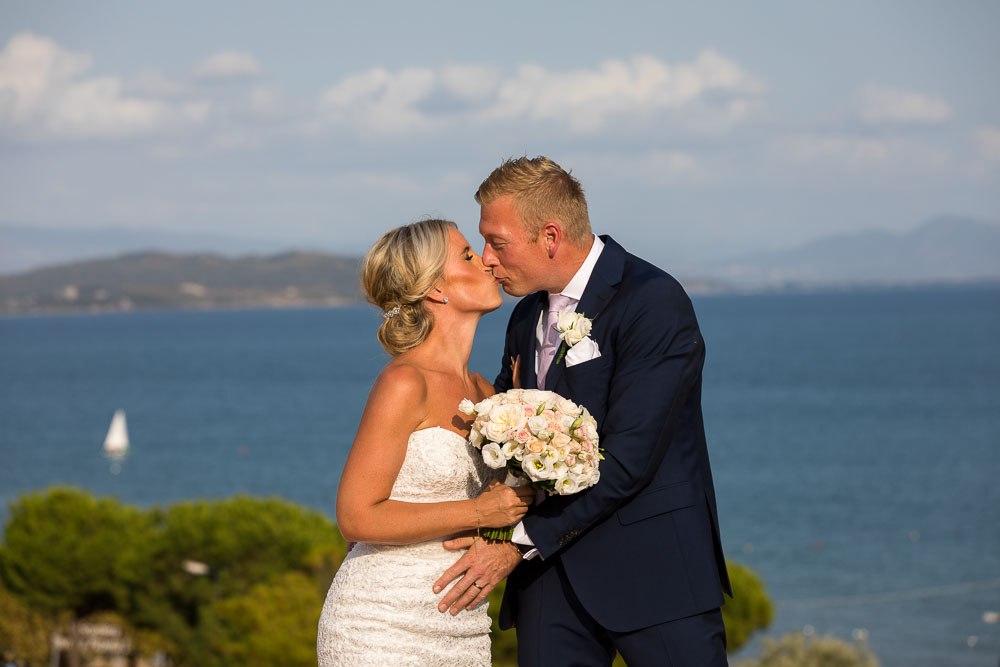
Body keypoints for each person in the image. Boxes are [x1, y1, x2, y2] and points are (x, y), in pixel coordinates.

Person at [433, 157, 732, 666]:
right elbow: (508, 430)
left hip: (655, 574)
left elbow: (630, 457)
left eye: (497, 243)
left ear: (550, 236)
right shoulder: (526, 313)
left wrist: (516, 541)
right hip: (550, 587)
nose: (486, 259)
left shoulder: (654, 301)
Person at [317, 218, 535, 666]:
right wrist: (478, 512)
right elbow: (356, 517)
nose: (488, 262)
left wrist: (528, 419)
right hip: (381, 626)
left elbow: (510, 501)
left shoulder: (489, 394)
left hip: (462, 626)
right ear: (437, 289)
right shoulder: (404, 382)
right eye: (469, 256)